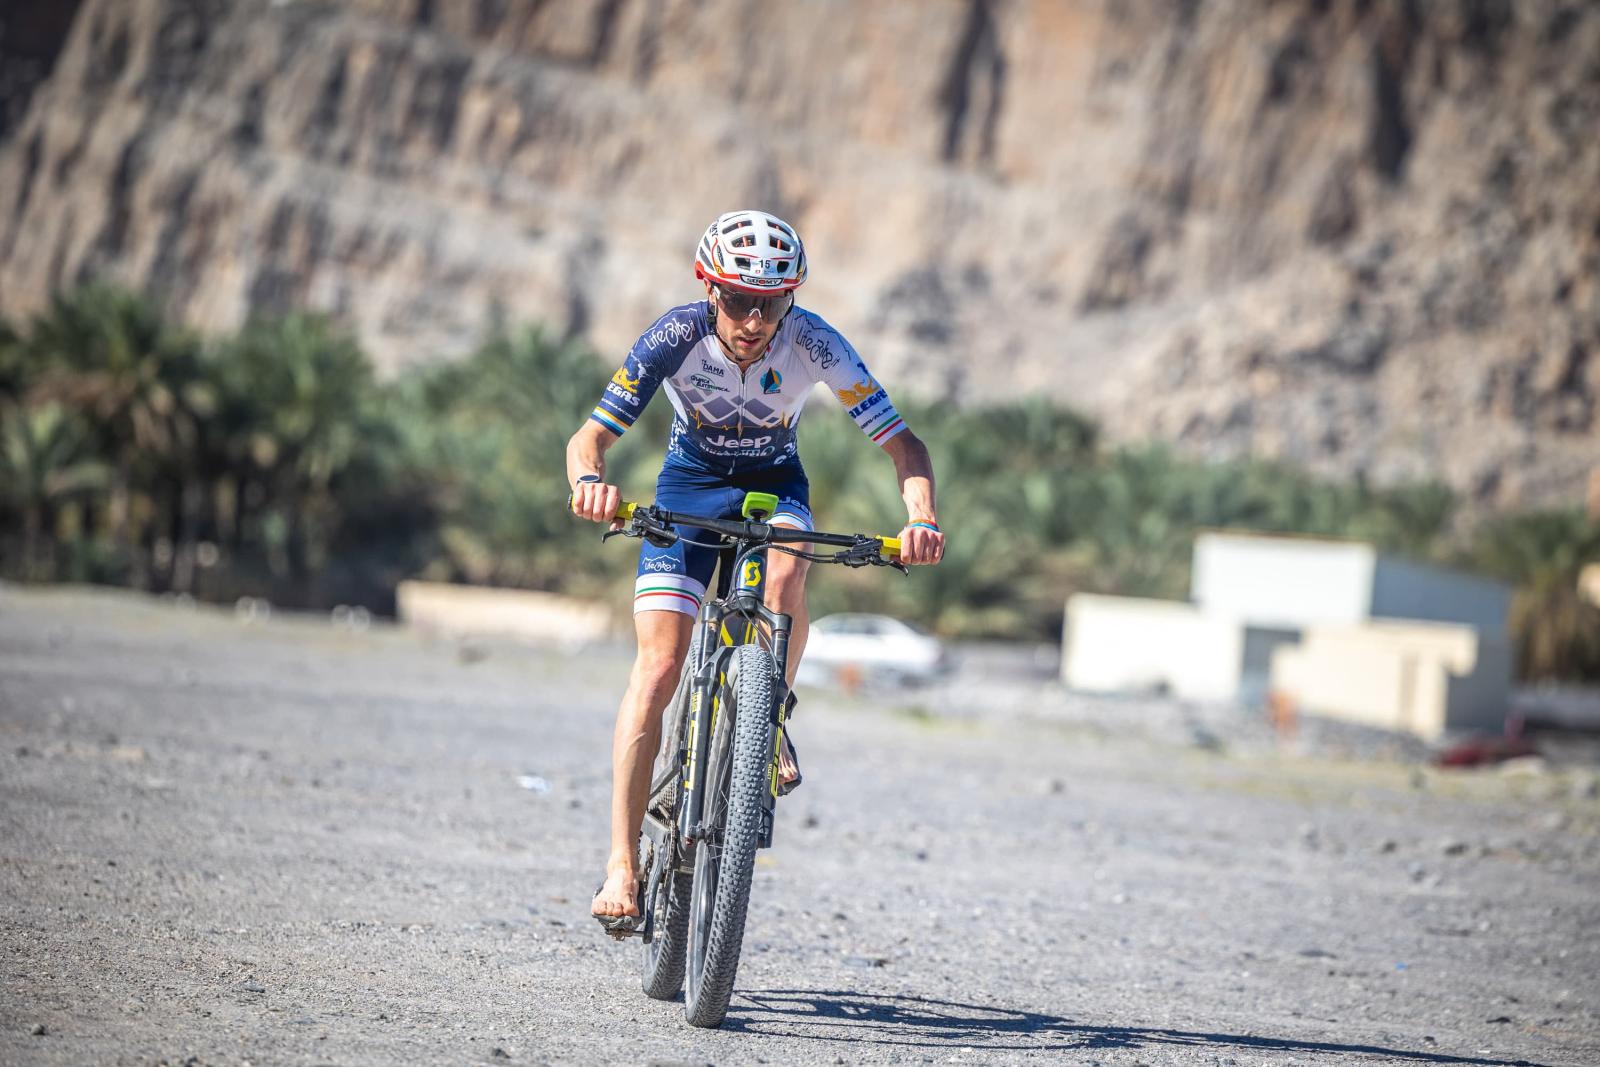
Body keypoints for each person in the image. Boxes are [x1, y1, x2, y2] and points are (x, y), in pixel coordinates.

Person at [567, 210, 944, 931]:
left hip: (776, 485)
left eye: (771, 303)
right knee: (658, 667)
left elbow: (905, 445)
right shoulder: (675, 335)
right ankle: (621, 862)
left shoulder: (814, 341)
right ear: (710, 290)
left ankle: (768, 713)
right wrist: (590, 482)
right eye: (738, 300)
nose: (753, 320)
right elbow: (588, 439)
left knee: (787, 570)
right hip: (688, 489)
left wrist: (921, 517)